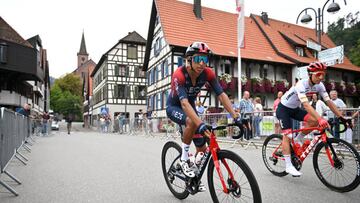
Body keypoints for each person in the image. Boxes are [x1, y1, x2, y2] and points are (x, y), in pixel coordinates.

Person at [166, 42, 243, 184]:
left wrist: (235, 116)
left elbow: (221, 95)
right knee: (192, 122)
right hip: (175, 107)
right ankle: (184, 159)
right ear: (189, 59)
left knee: (202, 148)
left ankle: (192, 173)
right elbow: (184, 103)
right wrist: (200, 124)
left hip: (191, 107)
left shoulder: (208, 73)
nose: (202, 63)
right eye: (197, 59)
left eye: (205, 59)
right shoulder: (179, 75)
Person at [276, 62, 350, 177]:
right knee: (288, 135)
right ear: (310, 74)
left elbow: (329, 102)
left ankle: (298, 138)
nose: (321, 77)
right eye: (318, 74)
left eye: (323, 74)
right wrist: (321, 119)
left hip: (294, 109)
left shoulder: (320, 85)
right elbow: (306, 105)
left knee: (314, 121)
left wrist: (341, 117)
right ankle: (288, 166)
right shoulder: (301, 84)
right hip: (283, 109)